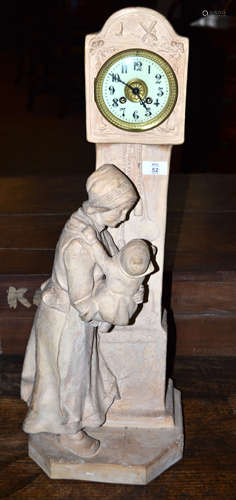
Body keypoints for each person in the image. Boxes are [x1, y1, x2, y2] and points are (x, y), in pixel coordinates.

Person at [21, 164, 141, 458]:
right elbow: (84, 305)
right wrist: (113, 312)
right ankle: (70, 432)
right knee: (69, 375)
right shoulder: (79, 244)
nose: (124, 217)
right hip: (66, 321)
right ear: (102, 207)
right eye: (121, 210)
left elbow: (111, 268)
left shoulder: (92, 229)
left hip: (73, 318)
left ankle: (72, 422)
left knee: (77, 372)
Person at [82, 226, 156, 326]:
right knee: (93, 312)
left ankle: (105, 321)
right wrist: (92, 240)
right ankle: (100, 318)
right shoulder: (113, 268)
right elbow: (101, 257)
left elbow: (140, 286)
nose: (137, 264)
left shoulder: (141, 274)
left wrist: (140, 293)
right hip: (107, 298)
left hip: (126, 304)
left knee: (119, 321)